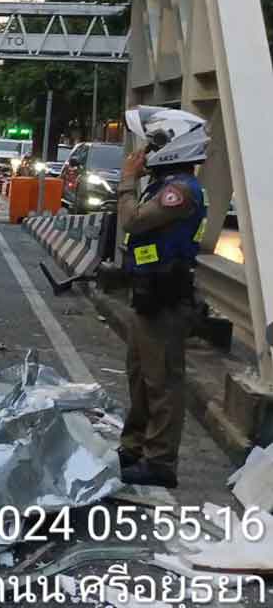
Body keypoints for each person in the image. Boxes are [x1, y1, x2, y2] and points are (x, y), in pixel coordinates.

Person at [114, 106, 211, 489]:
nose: (146, 150)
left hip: (167, 298)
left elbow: (134, 220)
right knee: (140, 375)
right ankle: (134, 447)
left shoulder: (179, 191)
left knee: (163, 382)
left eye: (154, 143)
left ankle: (159, 462)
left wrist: (126, 181)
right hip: (149, 293)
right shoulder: (166, 184)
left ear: (174, 147)